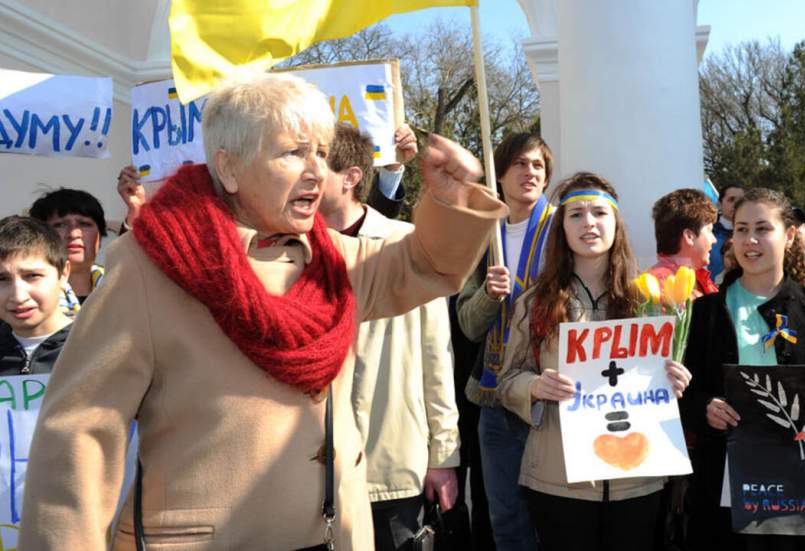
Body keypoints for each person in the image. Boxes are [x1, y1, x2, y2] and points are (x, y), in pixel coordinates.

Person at [20, 72, 506, 551]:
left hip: (335, 534)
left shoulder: (336, 259)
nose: (316, 171)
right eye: (294, 152)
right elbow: (80, 432)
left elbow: (429, 266)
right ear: (229, 168)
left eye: (320, 151)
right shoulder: (150, 266)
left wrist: (451, 198)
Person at [496, 172, 692, 550]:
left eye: (600, 213)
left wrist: (674, 378)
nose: (589, 223)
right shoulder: (535, 301)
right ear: (562, 228)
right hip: (559, 480)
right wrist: (534, 387)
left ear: (616, 224)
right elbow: (506, 381)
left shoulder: (647, 300)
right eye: (576, 215)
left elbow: (661, 373)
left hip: (638, 479)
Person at [682, 188, 805, 551]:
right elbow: (685, 391)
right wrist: (704, 408)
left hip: (804, 488)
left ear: (789, 235)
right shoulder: (707, 311)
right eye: (742, 229)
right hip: (726, 481)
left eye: (763, 228)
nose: (750, 240)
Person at [319, 124, 459, 550]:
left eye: (316, 163)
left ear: (351, 178)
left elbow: (436, 355)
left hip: (394, 466)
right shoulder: (293, 249)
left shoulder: (403, 245)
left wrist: (444, 457)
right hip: (314, 474)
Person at [458, 132, 556, 551]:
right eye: (519, 163)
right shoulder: (482, 237)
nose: (529, 172)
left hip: (549, 397)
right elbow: (466, 325)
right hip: (495, 398)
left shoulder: (564, 227)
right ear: (500, 175)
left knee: (553, 521)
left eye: (537, 165)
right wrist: (488, 296)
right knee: (506, 524)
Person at [114, 124, 420, 228]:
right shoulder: (275, 236)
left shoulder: (396, 245)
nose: (307, 172)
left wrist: (392, 164)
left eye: (321, 158)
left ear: (350, 178)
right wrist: (139, 210)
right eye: (296, 157)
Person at [0, 216, 73, 376]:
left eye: (32, 276)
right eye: (2, 279)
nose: (19, 297)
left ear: (64, 274)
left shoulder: (97, 349)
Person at [28, 188, 107, 314]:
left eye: (84, 224)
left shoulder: (121, 288)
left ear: (100, 237)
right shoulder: (23, 298)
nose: (74, 233)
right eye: (60, 225)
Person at [648, 188, 719, 297]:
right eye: (709, 230)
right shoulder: (660, 286)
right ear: (689, 236)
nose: (714, 240)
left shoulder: (699, 278)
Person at [708, 184, 745, 278]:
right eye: (731, 199)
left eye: (741, 201)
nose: (736, 204)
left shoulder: (751, 235)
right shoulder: (708, 233)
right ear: (719, 204)